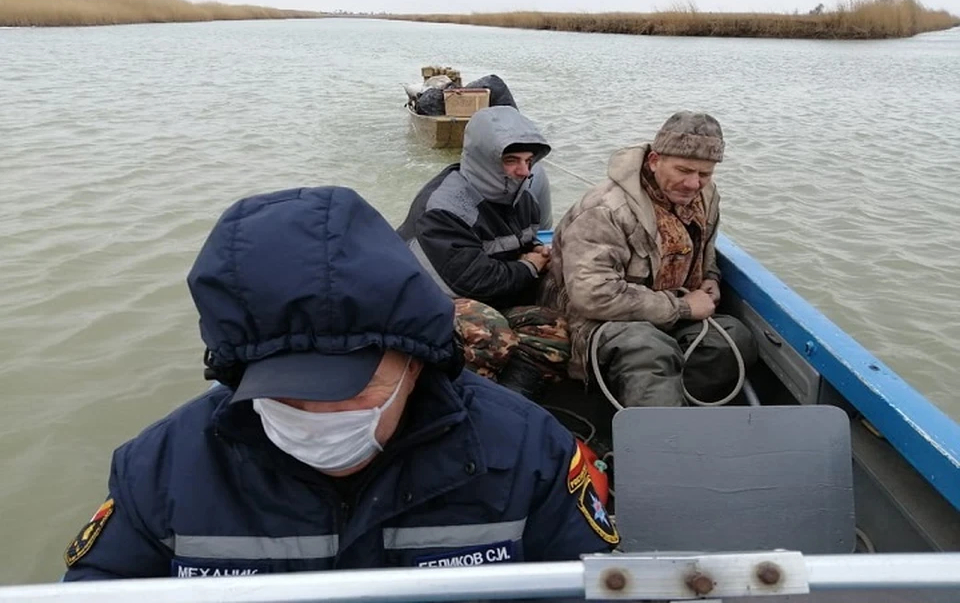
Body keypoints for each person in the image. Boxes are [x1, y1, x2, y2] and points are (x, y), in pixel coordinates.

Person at [62, 186, 618, 580]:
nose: (315, 412)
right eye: (280, 387)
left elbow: (594, 583)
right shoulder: (158, 472)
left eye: (351, 384)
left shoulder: (529, 452)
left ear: (416, 360)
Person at [540, 112, 758, 408]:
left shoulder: (705, 195)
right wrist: (682, 307)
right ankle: (657, 438)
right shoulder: (605, 211)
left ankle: (672, 408)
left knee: (733, 340)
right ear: (655, 160)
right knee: (648, 350)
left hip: (672, 312)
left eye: (704, 174)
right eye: (684, 170)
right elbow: (592, 296)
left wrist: (710, 278)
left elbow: (706, 249)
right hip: (598, 322)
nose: (693, 183)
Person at [397, 106, 568, 401]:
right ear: (483, 158)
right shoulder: (443, 206)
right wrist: (529, 265)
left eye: (529, 161)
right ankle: (449, 400)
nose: (524, 171)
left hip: (489, 300)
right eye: (511, 160)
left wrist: (537, 253)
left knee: (554, 326)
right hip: (425, 304)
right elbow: (474, 280)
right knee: (488, 327)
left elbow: (520, 247)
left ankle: (511, 400)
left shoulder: (524, 197)